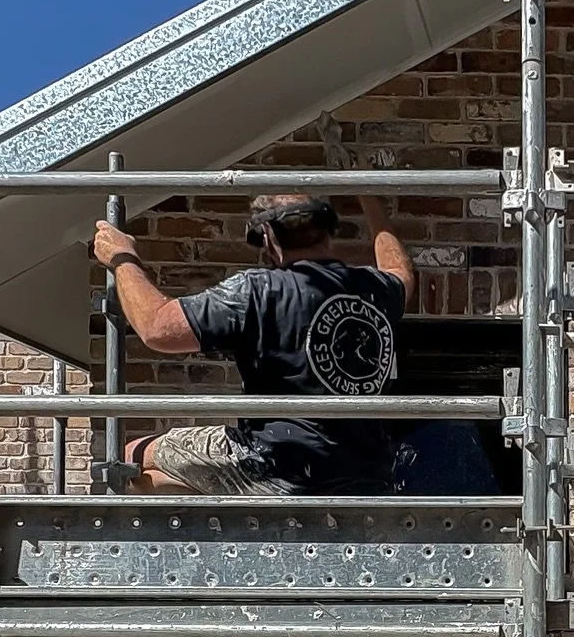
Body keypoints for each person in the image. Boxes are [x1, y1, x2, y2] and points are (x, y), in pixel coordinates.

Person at [92, 192, 416, 496]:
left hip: (275, 468)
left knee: (129, 458)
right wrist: (369, 197)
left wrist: (123, 258)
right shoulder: (376, 288)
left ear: (269, 237)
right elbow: (400, 270)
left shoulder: (258, 290)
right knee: (165, 472)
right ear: (328, 233)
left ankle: (224, 528)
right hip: (368, 475)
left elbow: (157, 328)